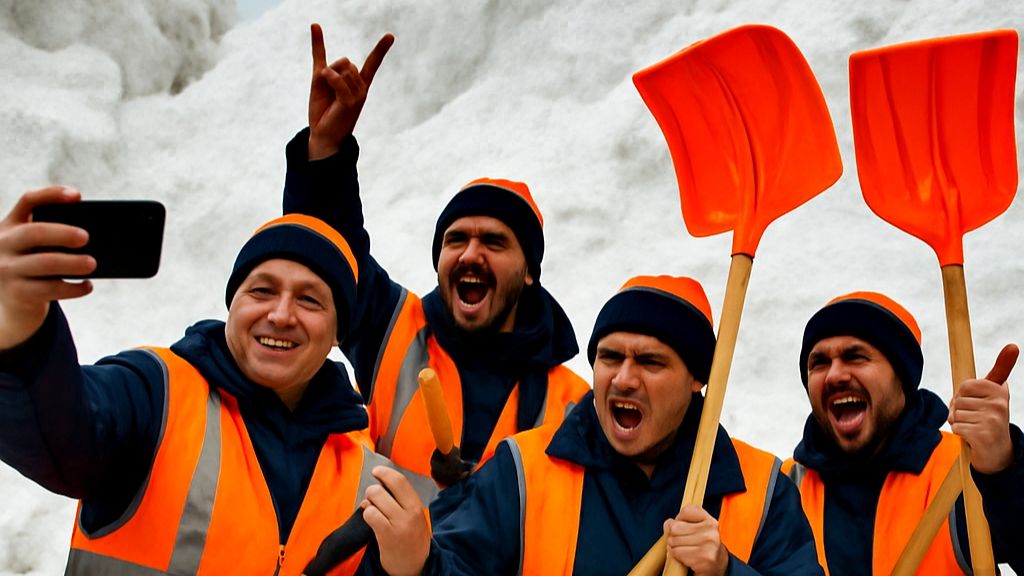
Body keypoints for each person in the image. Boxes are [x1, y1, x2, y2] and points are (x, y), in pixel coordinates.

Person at [0, 186, 404, 575]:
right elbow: (55, 435)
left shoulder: (365, 477)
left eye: (309, 299)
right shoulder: (154, 393)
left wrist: (417, 566)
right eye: (262, 291)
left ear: (337, 333)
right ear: (233, 305)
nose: (281, 314)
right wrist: (19, 331)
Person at [282, 24, 590, 488]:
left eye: (494, 242)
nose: (470, 254)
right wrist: (325, 152)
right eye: (455, 239)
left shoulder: (573, 407)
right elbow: (327, 253)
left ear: (529, 272)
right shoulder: (391, 331)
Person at [357, 275, 823, 576]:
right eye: (610, 357)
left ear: (698, 380)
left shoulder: (763, 491)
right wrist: (415, 564)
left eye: (651, 362)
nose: (624, 378)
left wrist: (726, 571)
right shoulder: (523, 471)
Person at [784, 291, 1024, 575]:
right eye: (819, 363)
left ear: (902, 378)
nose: (834, 375)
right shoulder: (786, 487)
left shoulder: (961, 472)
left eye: (855, 357)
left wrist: (1002, 470)